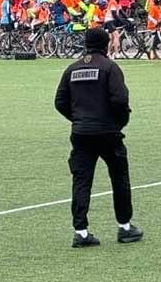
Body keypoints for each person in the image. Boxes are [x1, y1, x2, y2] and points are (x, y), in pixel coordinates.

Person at [54, 27, 142, 248]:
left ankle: (81, 232)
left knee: (81, 181)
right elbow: (120, 99)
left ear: (86, 44)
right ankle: (125, 227)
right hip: (108, 132)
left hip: (81, 133)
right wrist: (119, 122)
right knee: (119, 178)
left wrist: (77, 119)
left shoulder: (72, 69)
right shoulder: (110, 67)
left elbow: (60, 102)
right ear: (106, 45)